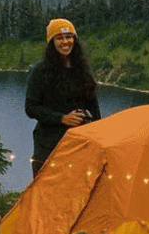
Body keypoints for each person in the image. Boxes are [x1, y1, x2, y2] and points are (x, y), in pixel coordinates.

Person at [24, 18, 100, 177]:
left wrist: (98, 132)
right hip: (48, 144)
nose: (65, 42)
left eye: (69, 37)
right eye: (59, 38)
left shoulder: (82, 69)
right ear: (51, 42)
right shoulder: (40, 71)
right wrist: (61, 118)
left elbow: (93, 105)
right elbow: (31, 108)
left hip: (79, 142)